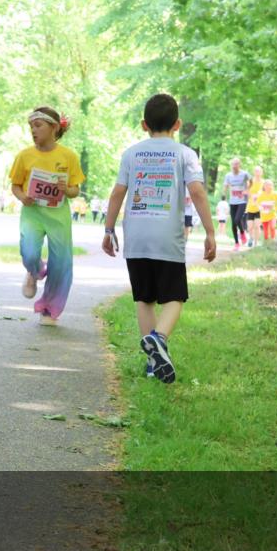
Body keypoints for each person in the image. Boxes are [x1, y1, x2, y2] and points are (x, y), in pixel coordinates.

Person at [102, 93, 216, 384]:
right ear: (177, 124)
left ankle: (153, 365)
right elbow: (198, 192)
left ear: (144, 124)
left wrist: (108, 229)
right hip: (168, 237)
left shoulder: (131, 153)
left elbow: (117, 193)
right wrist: (210, 231)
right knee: (175, 296)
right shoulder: (185, 154)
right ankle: (159, 338)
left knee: (144, 299)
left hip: (137, 237)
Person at [9, 106, 85, 326]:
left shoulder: (68, 156)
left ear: (53, 128)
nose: (33, 130)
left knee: (61, 262)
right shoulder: (24, 155)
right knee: (29, 252)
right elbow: (15, 186)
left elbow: (75, 190)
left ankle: (49, 310)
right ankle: (34, 271)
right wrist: (23, 197)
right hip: (32, 212)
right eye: (31, 126)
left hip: (58, 214)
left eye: (38, 125)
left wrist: (65, 189)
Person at [223, 157, 250, 250]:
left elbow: (251, 181)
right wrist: (224, 195)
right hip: (232, 201)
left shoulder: (244, 174)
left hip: (242, 200)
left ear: (239, 165)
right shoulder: (228, 175)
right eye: (233, 164)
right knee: (233, 224)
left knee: (237, 219)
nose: (234, 166)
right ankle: (236, 243)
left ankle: (242, 232)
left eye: (236, 164)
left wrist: (247, 190)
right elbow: (225, 186)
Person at [245, 165, 264, 248]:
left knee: (257, 226)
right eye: (256, 171)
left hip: (259, 207)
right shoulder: (250, 181)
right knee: (250, 226)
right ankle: (251, 238)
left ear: (262, 173)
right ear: (254, 172)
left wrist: (258, 195)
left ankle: (256, 243)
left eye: (259, 171)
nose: (257, 173)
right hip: (250, 206)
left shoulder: (263, 182)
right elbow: (247, 192)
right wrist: (252, 196)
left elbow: (265, 192)